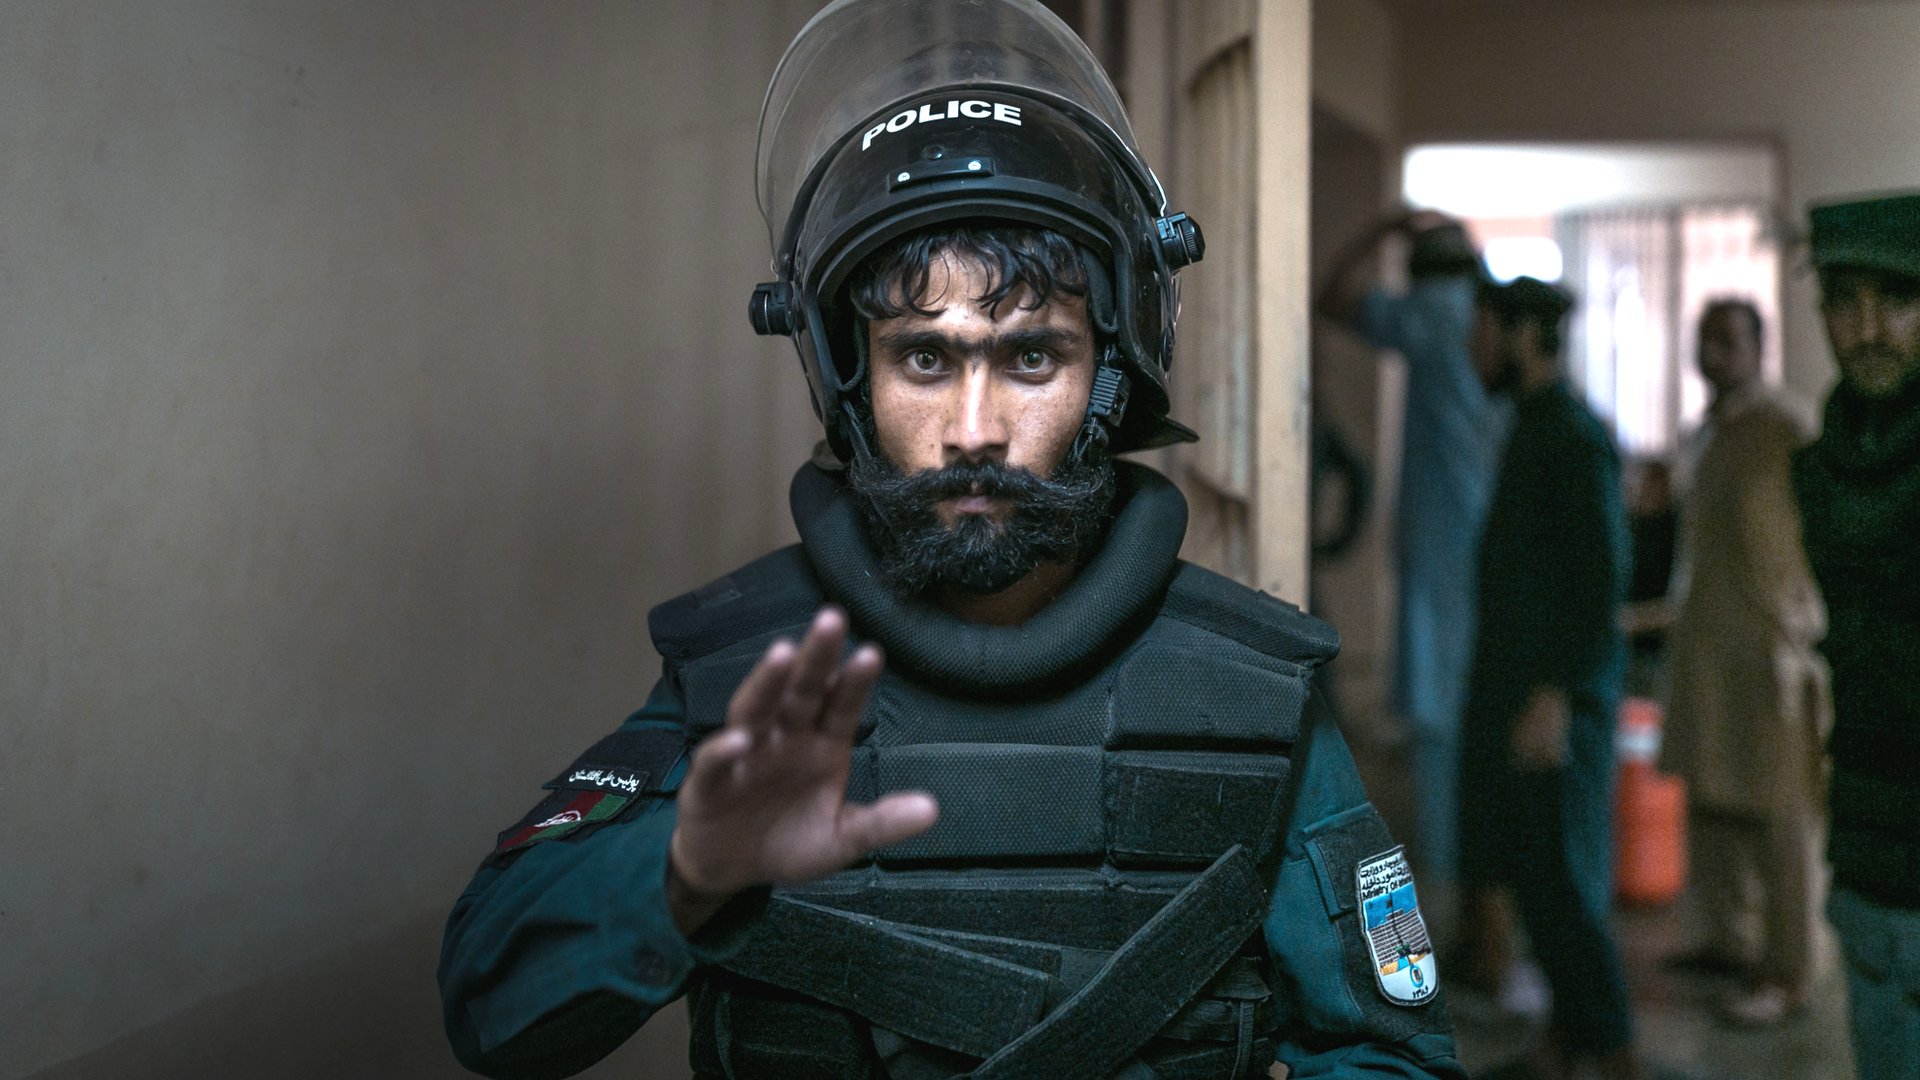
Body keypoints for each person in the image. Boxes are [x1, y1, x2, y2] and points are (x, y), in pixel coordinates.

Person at [436, 2, 1464, 1077]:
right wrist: (683, 869)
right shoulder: (753, 680)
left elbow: (1396, 1054)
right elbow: (488, 1005)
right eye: (924, 360)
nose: (974, 430)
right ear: (850, 382)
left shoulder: (1251, 696)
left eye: (1031, 360)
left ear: (1112, 382)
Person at [1454, 278, 1641, 1080]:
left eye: (1485, 332)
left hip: (1553, 702)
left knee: (1565, 883)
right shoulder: (1532, 427)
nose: (1474, 350)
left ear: (1526, 334)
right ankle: (1570, 1044)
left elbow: (1601, 580)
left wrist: (1556, 695)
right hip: (1517, 691)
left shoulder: (1571, 434)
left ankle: (1618, 1053)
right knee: (1535, 873)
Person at [1658, 299, 1829, 1027]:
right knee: (1713, 798)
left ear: (1759, 347)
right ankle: (1731, 942)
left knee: (1778, 811)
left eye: (1728, 340)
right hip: (1706, 646)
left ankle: (1788, 970)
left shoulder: (1787, 429)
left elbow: (1821, 537)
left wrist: (1803, 630)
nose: (1713, 353)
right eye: (1704, 339)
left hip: (1770, 651)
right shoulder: (1706, 436)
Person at [1317, 210, 1500, 882]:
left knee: (1438, 725)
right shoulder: (1490, 324)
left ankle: (1450, 882)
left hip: (1440, 547)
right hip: (1485, 542)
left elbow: (1332, 300)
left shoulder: (1434, 314)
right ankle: (1478, 884)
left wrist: (1378, 230)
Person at [1791, 191, 1920, 1080]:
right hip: (1867, 848)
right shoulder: (1818, 467)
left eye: (1897, 299)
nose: (1868, 328)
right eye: (1845, 300)